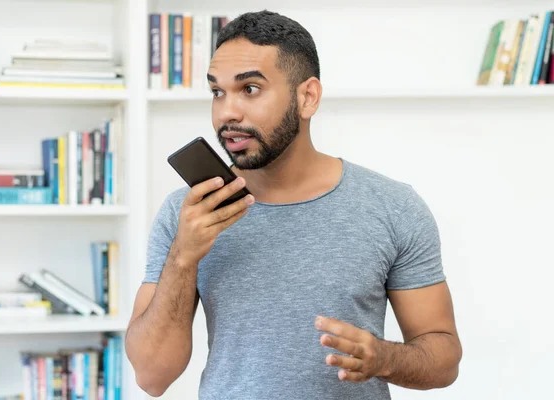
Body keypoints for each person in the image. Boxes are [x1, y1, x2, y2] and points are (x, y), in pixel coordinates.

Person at [125, 9, 462, 400]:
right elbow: (151, 376)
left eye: (249, 89)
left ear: (307, 96)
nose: (227, 112)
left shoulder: (393, 207)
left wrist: (384, 358)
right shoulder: (188, 214)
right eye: (217, 92)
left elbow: (444, 361)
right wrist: (184, 256)